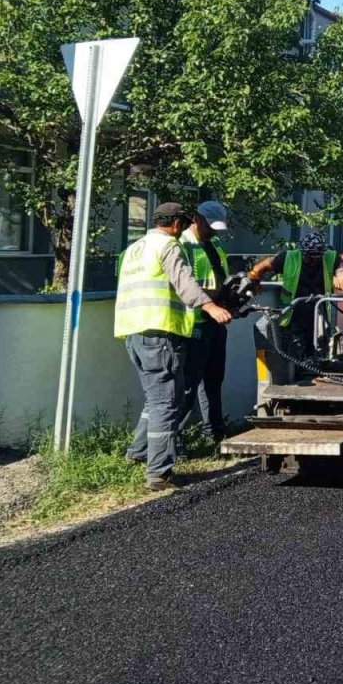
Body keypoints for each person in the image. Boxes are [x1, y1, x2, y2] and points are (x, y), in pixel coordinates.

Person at [118, 202, 232, 491]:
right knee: (168, 402)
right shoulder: (169, 246)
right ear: (178, 223)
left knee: (154, 399)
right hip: (160, 332)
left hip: (133, 331)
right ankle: (158, 473)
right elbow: (185, 282)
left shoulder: (135, 248)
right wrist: (210, 306)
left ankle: (137, 452)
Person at [179, 201, 232, 442]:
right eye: (210, 227)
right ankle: (174, 439)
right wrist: (211, 303)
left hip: (216, 321)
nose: (213, 232)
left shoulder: (214, 245)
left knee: (214, 379)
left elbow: (220, 279)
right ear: (197, 219)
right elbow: (185, 286)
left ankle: (214, 434)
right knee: (188, 385)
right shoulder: (182, 245)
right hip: (194, 323)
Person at [249, 231, 336, 366]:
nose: (313, 261)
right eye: (309, 257)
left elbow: (342, 272)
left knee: (315, 342)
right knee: (294, 343)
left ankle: (311, 364)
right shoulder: (288, 258)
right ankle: (296, 368)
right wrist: (254, 280)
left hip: (317, 308)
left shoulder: (329, 258)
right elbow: (261, 267)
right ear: (302, 252)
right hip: (293, 310)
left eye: (316, 257)